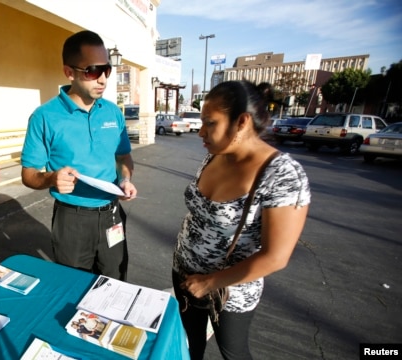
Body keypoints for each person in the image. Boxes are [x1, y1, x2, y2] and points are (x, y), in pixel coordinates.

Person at [171, 80, 311, 360]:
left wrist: (211, 283)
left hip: (229, 291)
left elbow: (276, 257)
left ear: (242, 122)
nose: (200, 132)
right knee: (188, 345)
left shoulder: (282, 175)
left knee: (233, 353)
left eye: (210, 123)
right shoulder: (215, 155)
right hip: (184, 274)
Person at [21, 30, 137, 280]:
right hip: (71, 219)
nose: (102, 79)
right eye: (92, 71)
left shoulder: (113, 113)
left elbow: (123, 157)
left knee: (115, 284)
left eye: (106, 70)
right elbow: (29, 174)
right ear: (69, 72)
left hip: (112, 214)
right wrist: (51, 179)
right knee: (73, 286)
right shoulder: (44, 116)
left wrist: (125, 179)